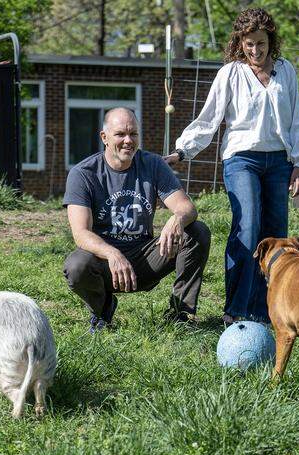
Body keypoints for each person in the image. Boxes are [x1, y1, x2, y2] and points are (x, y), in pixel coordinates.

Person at [166, 7, 299, 326]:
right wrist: (182, 150)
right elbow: (209, 119)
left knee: (275, 236)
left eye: (260, 44)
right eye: (249, 45)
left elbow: (296, 119)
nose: (255, 51)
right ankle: (236, 309)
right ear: (240, 43)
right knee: (248, 227)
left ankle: (265, 309)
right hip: (241, 159)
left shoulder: (286, 72)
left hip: (278, 162)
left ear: (270, 40)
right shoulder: (230, 74)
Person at [64, 107, 211, 333]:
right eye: (120, 134)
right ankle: (102, 311)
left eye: (133, 134)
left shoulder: (152, 165)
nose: (128, 141)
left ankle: (181, 313)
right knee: (76, 266)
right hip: (104, 263)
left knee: (197, 231)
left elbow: (186, 208)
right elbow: (80, 233)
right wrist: (113, 254)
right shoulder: (83, 173)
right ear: (104, 137)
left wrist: (177, 219)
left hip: (145, 259)